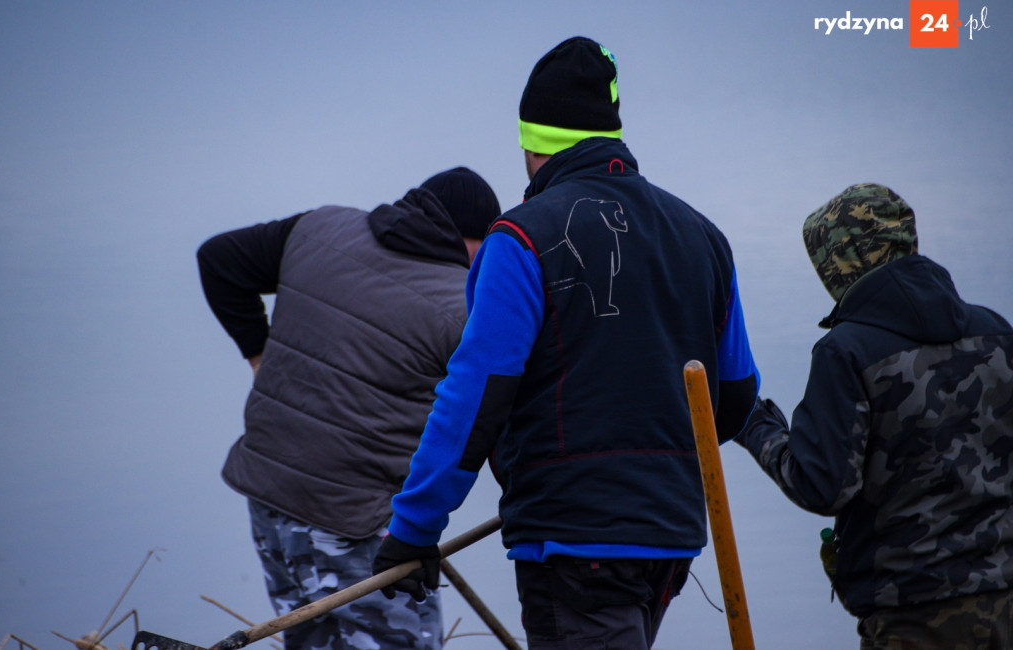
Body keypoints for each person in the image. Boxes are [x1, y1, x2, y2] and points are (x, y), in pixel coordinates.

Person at [372, 36, 760, 649]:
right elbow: (735, 398)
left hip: (575, 541)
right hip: (671, 535)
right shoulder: (702, 236)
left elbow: (476, 396)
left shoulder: (521, 237)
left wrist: (415, 526)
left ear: (530, 144)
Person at [196, 167, 501, 650]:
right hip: (352, 523)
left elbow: (218, 259)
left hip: (267, 498)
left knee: (312, 642)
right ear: (474, 240)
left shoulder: (320, 228)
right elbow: (495, 416)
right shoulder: (461, 305)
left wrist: (259, 354)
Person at [737, 184, 1013, 649]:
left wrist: (753, 425)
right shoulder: (996, 333)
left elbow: (822, 484)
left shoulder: (846, 351)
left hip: (912, 613)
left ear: (841, 262)